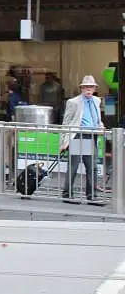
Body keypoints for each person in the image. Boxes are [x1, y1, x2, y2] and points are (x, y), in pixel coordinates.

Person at [60, 75, 104, 205]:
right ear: (82, 88)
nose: (88, 89)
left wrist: (100, 126)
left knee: (92, 167)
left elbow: (97, 118)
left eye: (91, 87)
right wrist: (63, 142)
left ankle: (91, 196)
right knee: (74, 167)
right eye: (86, 87)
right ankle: (68, 195)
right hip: (79, 135)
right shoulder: (73, 102)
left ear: (95, 88)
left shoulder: (97, 101)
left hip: (91, 135)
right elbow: (66, 122)